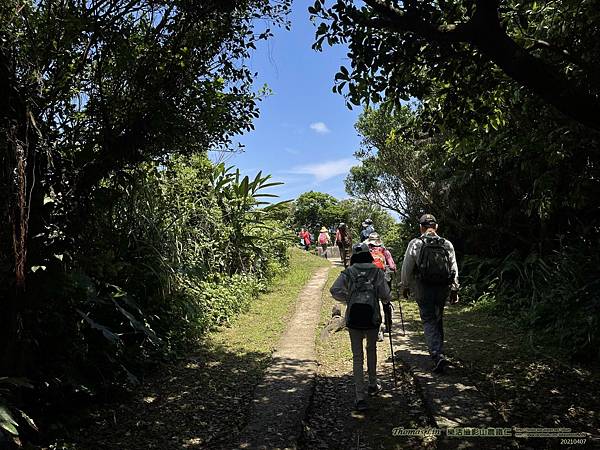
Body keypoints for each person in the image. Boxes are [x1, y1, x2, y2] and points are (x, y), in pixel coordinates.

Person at [330, 243, 392, 411]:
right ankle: (373, 384)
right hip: (372, 317)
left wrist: (348, 298)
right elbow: (386, 295)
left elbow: (334, 289)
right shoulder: (377, 272)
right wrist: (383, 299)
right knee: (371, 349)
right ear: (368, 255)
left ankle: (359, 396)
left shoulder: (348, 272)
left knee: (357, 356)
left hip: (353, 318)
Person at [400, 214, 459, 374]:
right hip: (443, 287)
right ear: (436, 227)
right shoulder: (446, 244)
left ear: (421, 227)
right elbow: (453, 267)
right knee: (438, 317)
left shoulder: (416, 243)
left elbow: (407, 267)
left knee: (428, 319)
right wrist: (454, 288)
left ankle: (437, 354)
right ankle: (439, 351)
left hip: (423, 286)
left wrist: (404, 285)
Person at [366, 232, 397, 339]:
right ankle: (388, 325)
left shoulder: (366, 251)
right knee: (386, 302)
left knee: (372, 302)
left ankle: (373, 326)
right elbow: (392, 266)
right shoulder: (384, 250)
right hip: (384, 279)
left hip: (370, 280)